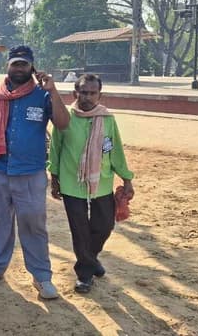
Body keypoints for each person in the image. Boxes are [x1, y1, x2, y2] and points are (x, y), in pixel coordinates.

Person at [0, 46, 70, 300]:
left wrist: (53, 91)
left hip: (30, 173)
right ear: (8, 66)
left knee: (33, 224)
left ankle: (42, 277)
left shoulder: (42, 95)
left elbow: (63, 123)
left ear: (32, 66)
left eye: (23, 64)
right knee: (0, 222)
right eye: (15, 63)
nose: (19, 68)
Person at [48, 74, 135, 294]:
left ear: (99, 95)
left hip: (102, 182)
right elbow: (56, 148)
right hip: (71, 182)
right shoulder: (65, 118)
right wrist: (55, 178)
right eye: (83, 92)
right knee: (80, 230)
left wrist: (127, 179)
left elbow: (115, 150)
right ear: (75, 93)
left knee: (104, 226)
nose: (87, 97)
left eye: (92, 93)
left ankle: (91, 259)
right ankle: (85, 274)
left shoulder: (107, 120)